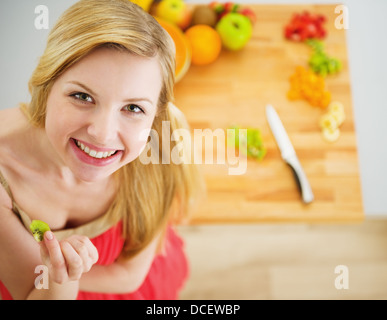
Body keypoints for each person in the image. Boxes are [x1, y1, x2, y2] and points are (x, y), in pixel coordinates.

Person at [0, 0, 204, 300]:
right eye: (82, 96)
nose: (103, 134)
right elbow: (32, 292)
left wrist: (66, 273)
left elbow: (129, 276)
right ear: (47, 84)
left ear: (155, 115)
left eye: (133, 108)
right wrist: (60, 278)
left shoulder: (158, 147)